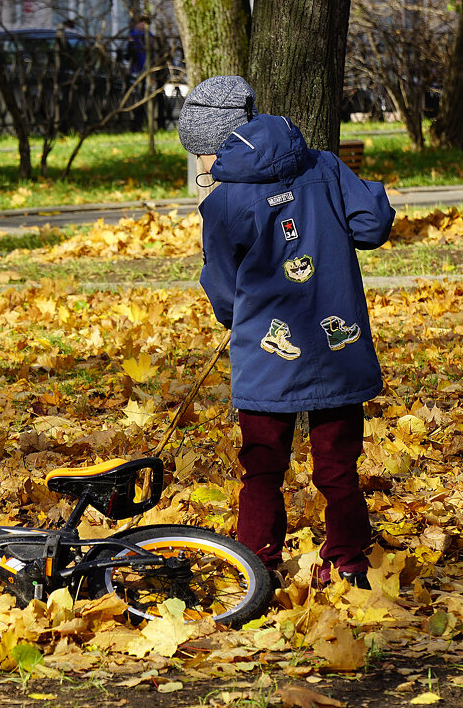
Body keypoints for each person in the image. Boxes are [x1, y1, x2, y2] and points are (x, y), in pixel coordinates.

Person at [176, 75, 394, 589]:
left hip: (267, 355)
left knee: (262, 466)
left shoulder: (223, 204)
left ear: (219, 145)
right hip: (337, 345)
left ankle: (257, 563)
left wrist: (235, 320)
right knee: (338, 467)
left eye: (201, 155)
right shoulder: (324, 165)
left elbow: (224, 289)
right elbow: (371, 226)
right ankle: (350, 561)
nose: (202, 167)